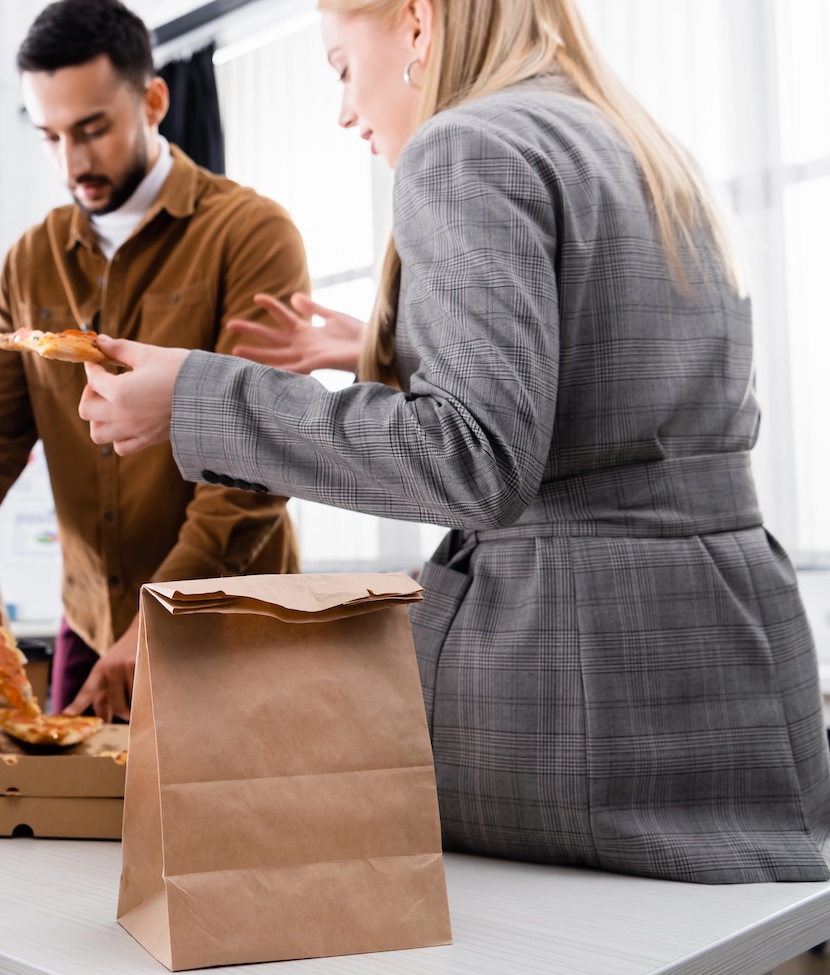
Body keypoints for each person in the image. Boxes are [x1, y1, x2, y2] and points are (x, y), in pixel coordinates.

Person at [77, 0, 830, 883]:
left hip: (571, 696)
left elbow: (474, 458)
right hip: (735, 659)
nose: (345, 110)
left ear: (418, 25)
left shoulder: (463, 148)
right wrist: (380, 347)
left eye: (340, 67)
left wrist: (195, 396)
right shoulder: (644, 146)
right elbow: (607, 398)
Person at [0, 0, 310, 722]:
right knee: (74, 829)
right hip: (95, 629)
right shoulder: (29, 262)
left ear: (154, 100)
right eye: (51, 136)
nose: (72, 162)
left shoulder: (251, 233)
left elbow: (253, 460)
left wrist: (156, 617)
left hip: (228, 617)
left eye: (92, 129)